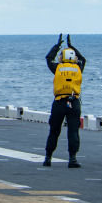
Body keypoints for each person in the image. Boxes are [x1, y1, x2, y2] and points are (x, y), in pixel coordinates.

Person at [43, 33, 86, 168]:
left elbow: (49, 58)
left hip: (59, 102)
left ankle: (48, 158)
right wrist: (71, 46)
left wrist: (57, 46)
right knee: (73, 131)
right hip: (74, 102)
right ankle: (72, 159)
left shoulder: (58, 68)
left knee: (54, 131)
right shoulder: (79, 67)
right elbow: (83, 58)